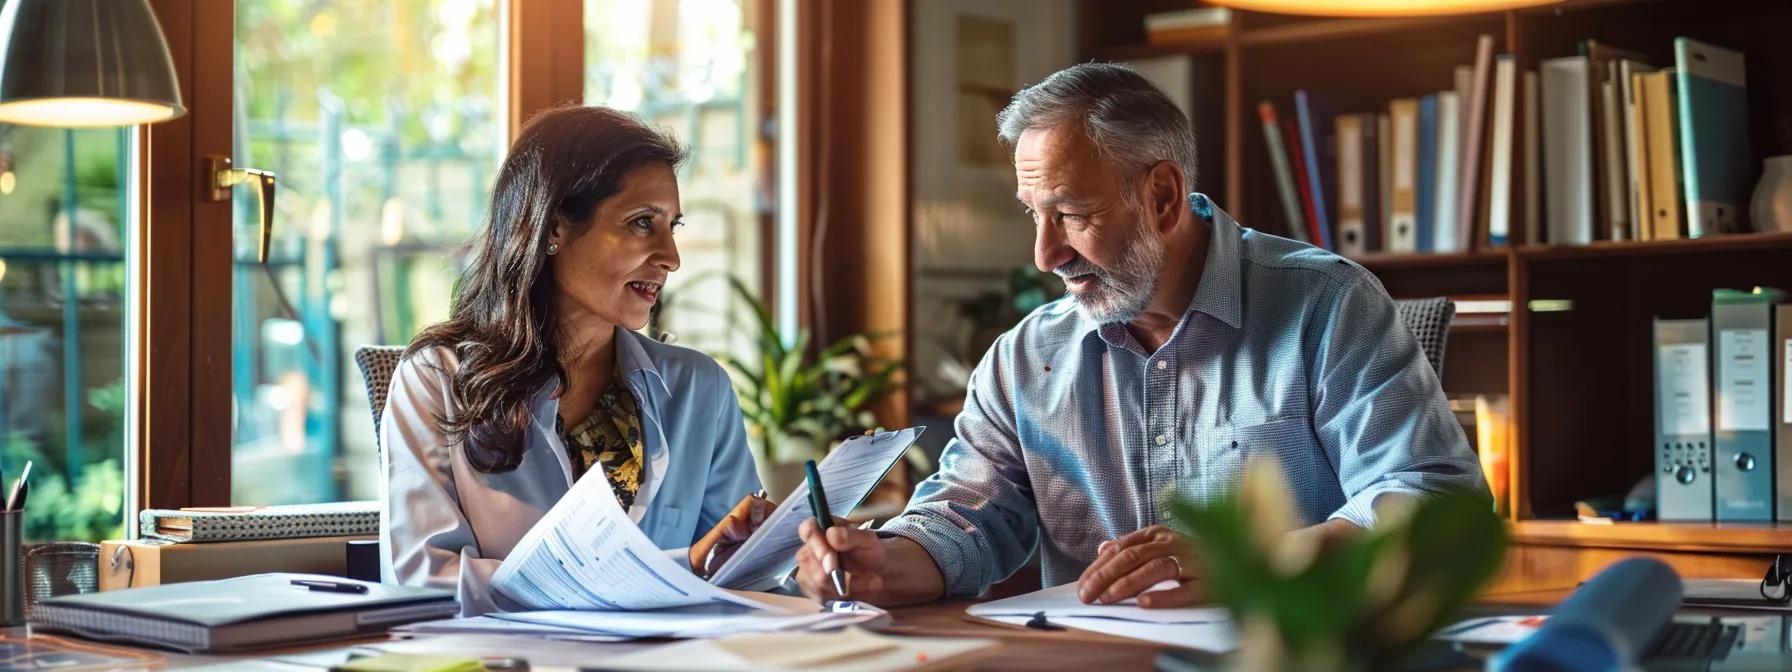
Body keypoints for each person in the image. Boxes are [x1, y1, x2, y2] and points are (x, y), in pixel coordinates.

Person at [794, 63, 1489, 608]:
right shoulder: (1024, 360)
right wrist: (881, 562)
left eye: (1070, 213)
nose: (1044, 254)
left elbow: (1435, 502)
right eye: (1032, 213)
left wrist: (1251, 562)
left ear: (1161, 195)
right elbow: (966, 524)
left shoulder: (1329, 306)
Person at [381, 106, 770, 615]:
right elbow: (423, 579)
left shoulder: (701, 389)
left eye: (671, 226)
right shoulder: (436, 379)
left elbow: (743, 580)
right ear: (554, 226)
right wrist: (682, 566)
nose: (670, 256)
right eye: (640, 223)